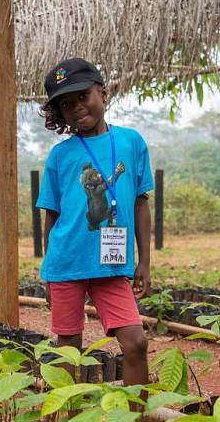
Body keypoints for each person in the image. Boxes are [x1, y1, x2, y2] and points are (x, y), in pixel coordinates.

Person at [36, 58, 153, 392]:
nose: (75, 108)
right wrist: (48, 271)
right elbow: (52, 216)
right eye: (65, 105)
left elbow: (140, 203)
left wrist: (144, 261)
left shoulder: (131, 142)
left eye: (82, 97)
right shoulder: (61, 156)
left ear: (102, 93)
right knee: (68, 352)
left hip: (112, 265)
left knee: (136, 343)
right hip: (67, 263)